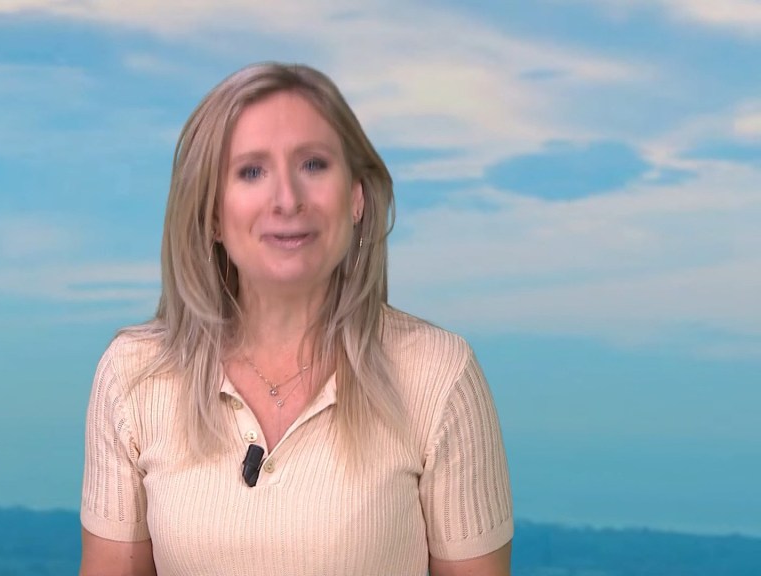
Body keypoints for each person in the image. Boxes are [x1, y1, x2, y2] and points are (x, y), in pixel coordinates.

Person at [79, 62, 513, 576]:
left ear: (356, 196)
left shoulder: (439, 374)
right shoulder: (133, 375)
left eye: (313, 164)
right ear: (212, 214)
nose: (287, 200)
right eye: (252, 171)